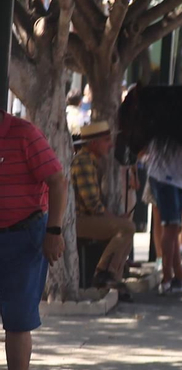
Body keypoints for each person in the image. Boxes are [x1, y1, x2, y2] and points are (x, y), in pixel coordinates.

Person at [0, 111, 67, 370]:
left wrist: (54, 231)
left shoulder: (25, 134)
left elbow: (57, 181)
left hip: (23, 236)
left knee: (17, 319)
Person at [69, 121, 135, 293]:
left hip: (84, 219)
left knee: (127, 227)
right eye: (107, 140)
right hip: (77, 221)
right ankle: (104, 274)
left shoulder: (90, 161)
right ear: (93, 143)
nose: (111, 144)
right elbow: (93, 204)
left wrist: (114, 219)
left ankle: (113, 282)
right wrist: (114, 219)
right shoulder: (83, 161)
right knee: (126, 228)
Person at [143, 140, 182, 293]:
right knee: (171, 227)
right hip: (167, 179)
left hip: (170, 178)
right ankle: (167, 279)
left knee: (174, 228)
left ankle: (177, 276)